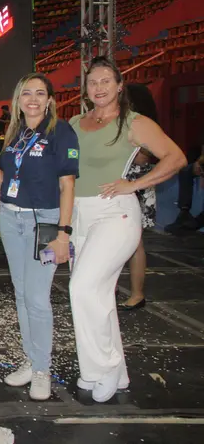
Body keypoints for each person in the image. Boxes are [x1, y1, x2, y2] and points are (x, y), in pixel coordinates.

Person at [69, 57, 185, 402]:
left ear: (120, 86)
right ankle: (106, 373)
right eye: (93, 82)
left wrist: (134, 184)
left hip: (114, 213)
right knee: (97, 294)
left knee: (81, 287)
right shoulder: (74, 122)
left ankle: (105, 365)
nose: (99, 87)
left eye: (106, 81)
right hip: (77, 214)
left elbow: (176, 158)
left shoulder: (134, 122)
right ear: (85, 89)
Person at [0, 73, 79, 401]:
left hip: (44, 222)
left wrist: (63, 233)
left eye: (40, 93)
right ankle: (31, 359)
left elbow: (67, 185)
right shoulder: (15, 132)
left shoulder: (61, 131)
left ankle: (42, 369)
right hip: (10, 218)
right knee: (22, 294)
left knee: (38, 298)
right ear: (18, 100)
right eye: (26, 93)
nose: (33, 99)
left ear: (50, 100)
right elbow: (10, 174)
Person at [118, 83, 159, 311]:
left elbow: (143, 158)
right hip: (126, 183)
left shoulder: (142, 125)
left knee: (135, 242)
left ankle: (137, 294)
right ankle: (117, 288)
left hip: (136, 184)